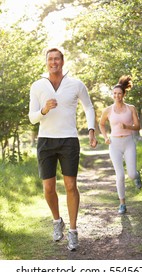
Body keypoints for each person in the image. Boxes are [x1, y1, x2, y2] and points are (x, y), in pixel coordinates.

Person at [29, 47, 97, 250]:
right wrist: (44, 109)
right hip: (46, 141)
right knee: (48, 188)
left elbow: (89, 107)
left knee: (70, 186)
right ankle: (57, 221)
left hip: (68, 140)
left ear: (63, 61)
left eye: (56, 58)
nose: (53, 62)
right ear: (46, 62)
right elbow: (32, 118)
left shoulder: (76, 84)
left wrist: (92, 130)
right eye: (50, 59)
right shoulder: (38, 85)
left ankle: (73, 231)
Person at [99, 75, 142, 214]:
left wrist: (127, 126)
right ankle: (122, 203)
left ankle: (136, 176)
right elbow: (101, 124)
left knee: (130, 174)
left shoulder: (131, 108)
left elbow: (137, 126)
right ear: (113, 95)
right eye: (114, 94)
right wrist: (105, 137)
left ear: (124, 94)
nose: (117, 96)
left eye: (119, 93)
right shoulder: (108, 110)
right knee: (120, 175)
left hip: (129, 142)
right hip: (115, 144)